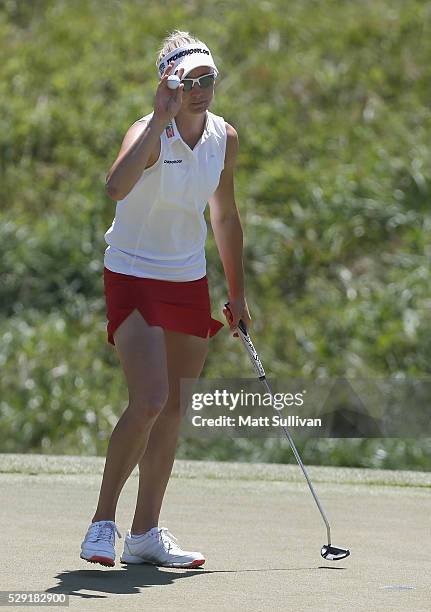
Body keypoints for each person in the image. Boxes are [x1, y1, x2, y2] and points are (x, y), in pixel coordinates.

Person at [80, 30, 251, 569]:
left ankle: (145, 532)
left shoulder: (225, 137)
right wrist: (157, 119)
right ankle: (101, 523)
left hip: (186, 278)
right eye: (187, 81)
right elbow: (115, 187)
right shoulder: (148, 130)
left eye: (207, 80)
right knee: (150, 399)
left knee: (175, 407)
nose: (199, 90)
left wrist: (238, 294)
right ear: (168, 83)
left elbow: (223, 215)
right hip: (131, 273)